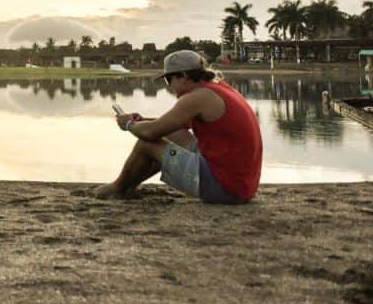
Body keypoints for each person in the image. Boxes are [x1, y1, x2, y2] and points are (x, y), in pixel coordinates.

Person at [94, 49, 262, 203]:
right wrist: (142, 120)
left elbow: (150, 133)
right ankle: (127, 187)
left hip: (225, 190)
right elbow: (169, 125)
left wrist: (129, 124)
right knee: (173, 133)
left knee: (146, 143)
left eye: (169, 79)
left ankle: (117, 188)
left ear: (183, 75)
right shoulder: (217, 89)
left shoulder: (197, 97)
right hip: (242, 186)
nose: (170, 86)